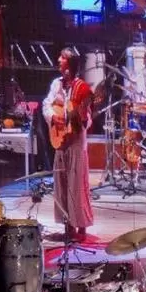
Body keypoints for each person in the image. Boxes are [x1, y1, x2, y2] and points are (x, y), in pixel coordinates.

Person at [42, 49, 94, 240]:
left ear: (70, 63)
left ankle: (81, 225)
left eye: (63, 57)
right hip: (60, 141)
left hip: (76, 143)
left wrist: (81, 120)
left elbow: (87, 117)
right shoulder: (56, 84)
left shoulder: (82, 88)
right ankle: (67, 224)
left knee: (77, 184)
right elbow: (46, 104)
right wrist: (53, 117)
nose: (58, 59)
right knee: (62, 184)